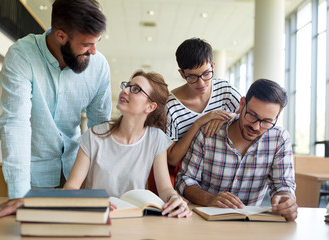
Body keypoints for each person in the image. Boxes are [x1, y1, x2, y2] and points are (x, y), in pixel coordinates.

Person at [0, 0, 111, 220]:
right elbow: (15, 123)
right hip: (31, 177)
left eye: (97, 42)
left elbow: (100, 130)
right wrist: (19, 194)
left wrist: (102, 188)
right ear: (61, 36)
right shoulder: (22, 55)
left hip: (77, 177)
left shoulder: (99, 66)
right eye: (86, 44)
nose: (94, 51)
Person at [64, 70, 192, 218]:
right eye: (127, 86)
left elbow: (164, 189)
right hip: (97, 217)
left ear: (150, 107)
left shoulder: (156, 139)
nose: (124, 90)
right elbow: (70, 188)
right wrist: (91, 201)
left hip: (134, 218)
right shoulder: (94, 135)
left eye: (136, 89)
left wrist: (174, 199)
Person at [176, 79, 298, 221]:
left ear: (276, 118)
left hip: (250, 225)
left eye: (266, 121)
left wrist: (287, 201)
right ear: (241, 104)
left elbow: (283, 185)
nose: (256, 127)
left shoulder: (279, 139)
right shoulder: (209, 133)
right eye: (252, 115)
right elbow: (185, 179)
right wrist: (210, 199)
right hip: (204, 220)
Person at [148, 38, 241, 194]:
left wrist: (224, 117)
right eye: (192, 77)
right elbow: (172, 158)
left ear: (213, 66)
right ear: (182, 74)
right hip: (189, 178)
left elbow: (245, 117)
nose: (201, 83)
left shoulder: (225, 91)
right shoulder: (171, 107)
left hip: (222, 171)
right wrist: (200, 123)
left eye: (206, 74)